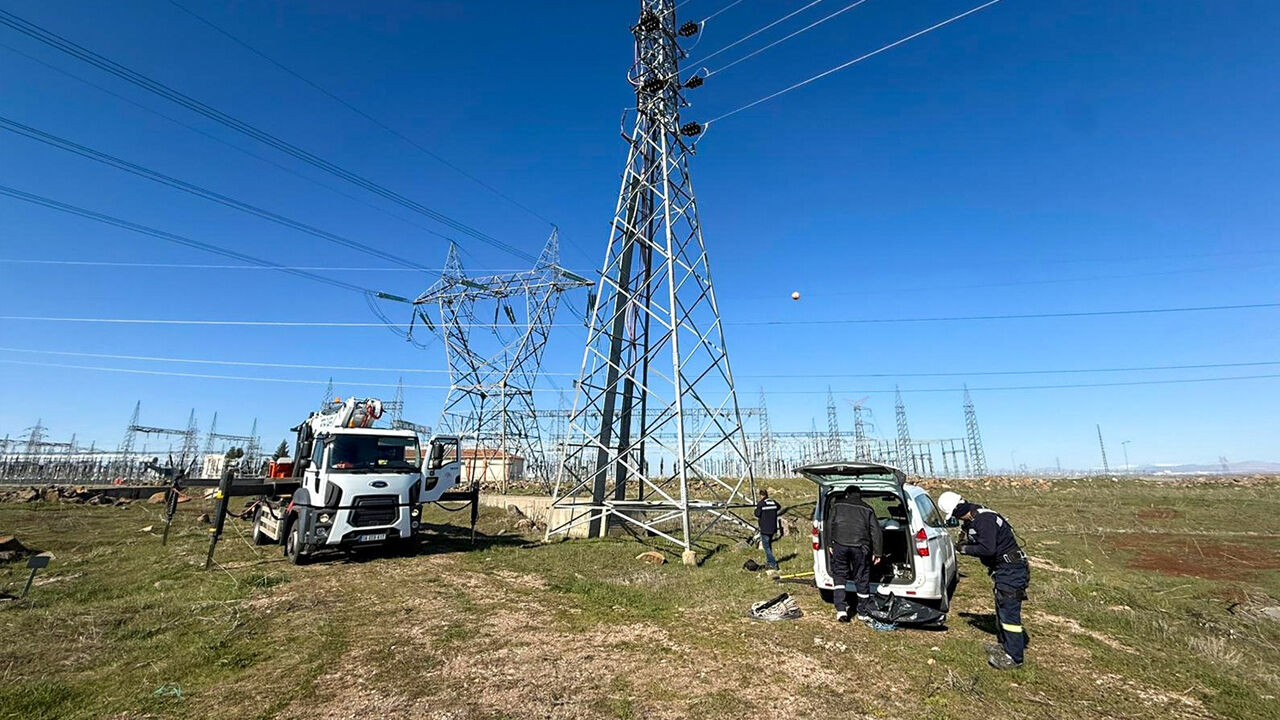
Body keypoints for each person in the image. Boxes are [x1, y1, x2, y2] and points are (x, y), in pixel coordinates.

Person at [938, 491, 1030, 670]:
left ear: (958, 510)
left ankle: (1014, 657)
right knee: (1002, 607)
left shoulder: (984, 520)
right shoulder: (977, 515)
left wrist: (964, 549)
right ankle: (1005, 645)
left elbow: (987, 549)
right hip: (1005, 569)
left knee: (1009, 612)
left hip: (1011, 570)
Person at [828, 486, 883, 622]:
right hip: (860, 547)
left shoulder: (837, 505)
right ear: (860, 495)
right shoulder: (867, 508)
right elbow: (876, 532)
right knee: (861, 577)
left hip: (840, 544)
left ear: (846, 494)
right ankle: (863, 613)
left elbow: (830, 524)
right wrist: (878, 552)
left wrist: (830, 543)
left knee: (839, 576)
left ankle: (841, 610)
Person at [753, 489, 782, 570]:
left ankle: (773, 563)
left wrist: (757, 510)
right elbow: (779, 507)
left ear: (761, 495)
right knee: (769, 545)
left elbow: (757, 514)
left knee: (766, 547)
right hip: (773, 528)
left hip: (765, 528)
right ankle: (769, 562)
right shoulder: (773, 502)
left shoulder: (761, 503)